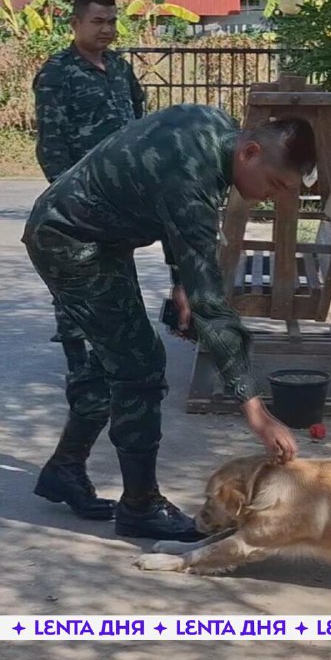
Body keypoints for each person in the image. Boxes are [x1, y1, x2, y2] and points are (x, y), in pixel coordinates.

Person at [23, 103, 316, 541]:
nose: (270, 197)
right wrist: (255, 410)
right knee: (139, 368)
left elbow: (164, 197)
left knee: (111, 362)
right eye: (274, 184)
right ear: (251, 152)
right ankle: (140, 507)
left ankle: (64, 470)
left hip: (93, 234)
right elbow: (211, 306)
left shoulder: (213, 127)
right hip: (69, 241)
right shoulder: (194, 180)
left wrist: (182, 278)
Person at [32, 0, 145, 521]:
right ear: (75, 23)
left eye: (111, 21)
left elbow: (140, 137)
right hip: (74, 233)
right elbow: (52, 154)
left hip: (116, 232)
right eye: (98, 21)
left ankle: (65, 467)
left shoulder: (121, 71)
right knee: (91, 359)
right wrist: (84, 212)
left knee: (111, 358)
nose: (107, 30)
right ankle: (67, 469)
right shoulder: (57, 74)